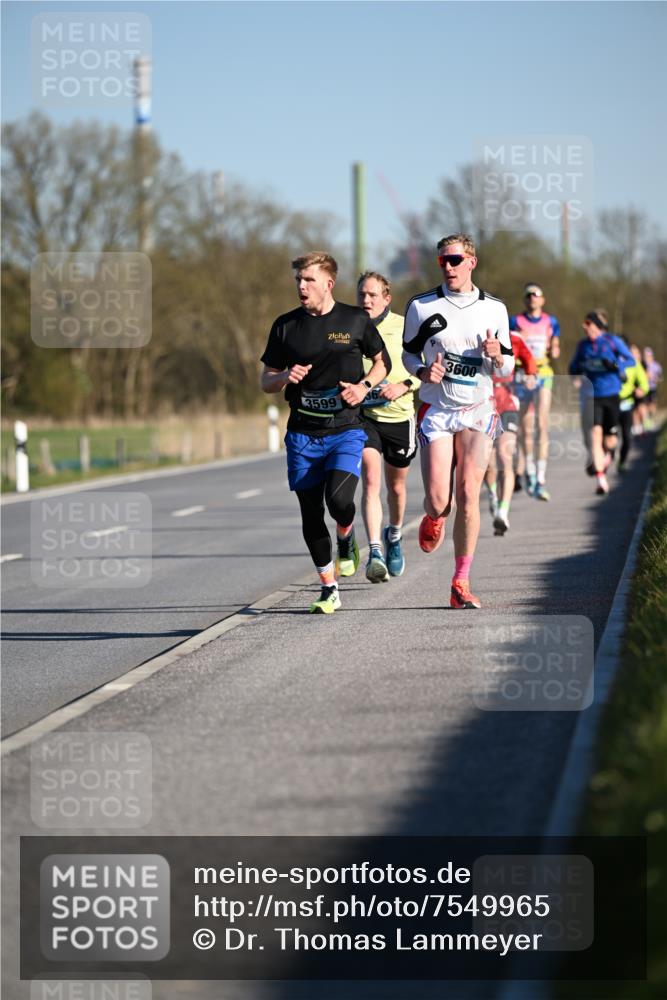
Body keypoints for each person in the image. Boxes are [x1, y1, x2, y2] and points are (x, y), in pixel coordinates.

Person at [260, 251, 389, 614]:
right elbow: (265, 379)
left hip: (345, 429)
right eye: (298, 280)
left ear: (328, 283)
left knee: (339, 501)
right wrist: (284, 377)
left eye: (309, 280)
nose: (301, 286)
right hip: (302, 433)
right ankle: (329, 588)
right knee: (310, 513)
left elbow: (383, 363)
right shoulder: (285, 326)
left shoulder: (354, 320)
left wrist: (363, 387)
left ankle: (346, 537)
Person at [402, 233, 514, 609]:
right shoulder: (421, 306)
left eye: (454, 260)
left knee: (469, 493)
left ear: (471, 262)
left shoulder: (494, 309)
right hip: (437, 411)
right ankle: (434, 516)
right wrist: (422, 371)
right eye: (442, 262)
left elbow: (509, 364)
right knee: (439, 499)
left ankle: (460, 581)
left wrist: (498, 355)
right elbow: (407, 355)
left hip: (478, 409)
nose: (448, 267)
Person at [357, 271, 418, 582]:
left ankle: (393, 534)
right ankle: (375, 552)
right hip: (364, 417)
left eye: (372, 295)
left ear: (386, 299)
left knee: (396, 487)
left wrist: (404, 385)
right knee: (370, 480)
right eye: (361, 295)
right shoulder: (350, 326)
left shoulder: (404, 326)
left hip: (399, 417)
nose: (366, 301)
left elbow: (426, 367)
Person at [568, 310, 634, 494]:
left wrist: (614, 366)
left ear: (597, 326)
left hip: (612, 395)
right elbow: (573, 365)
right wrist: (575, 374)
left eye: (588, 324)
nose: (585, 328)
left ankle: (609, 454)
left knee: (610, 440)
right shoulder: (582, 346)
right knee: (595, 434)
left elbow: (631, 360)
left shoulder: (613, 341)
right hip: (592, 395)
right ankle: (600, 479)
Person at [511, 283, 560, 500]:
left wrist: (555, 348)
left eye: (536, 295)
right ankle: (529, 470)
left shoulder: (551, 321)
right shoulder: (515, 321)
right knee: (526, 428)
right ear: (525, 300)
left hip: (543, 373)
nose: (532, 298)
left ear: (542, 300)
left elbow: (555, 348)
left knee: (542, 423)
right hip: (522, 375)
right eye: (528, 295)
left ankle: (540, 476)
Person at [486, 330, 538, 535]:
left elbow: (529, 359)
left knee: (505, 457)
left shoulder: (514, 338)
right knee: (488, 464)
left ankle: (503, 512)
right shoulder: (473, 332)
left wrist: (531, 375)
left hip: (508, 402)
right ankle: (492, 497)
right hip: (483, 405)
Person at [618, 341, 649, 472]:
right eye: (631, 352)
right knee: (610, 438)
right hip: (612, 402)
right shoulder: (614, 362)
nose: (633, 355)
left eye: (635, 352)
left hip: (628, 401)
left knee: (626, 436)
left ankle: (622, 461)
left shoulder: (636, 365)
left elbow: (644, 383)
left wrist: (642, 389)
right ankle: (607, 454)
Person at [642, 347, 663, 428]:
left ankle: (651, 418)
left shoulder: (656, 366)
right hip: (644, 388)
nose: (647, 357)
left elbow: (660, 377)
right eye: (646, 356)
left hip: (653, 387)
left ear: (652, 356)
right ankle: (646, 422)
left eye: (649, 356)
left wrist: (655, 378)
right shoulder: (642, 364)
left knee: (652, 405)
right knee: (645, 405)